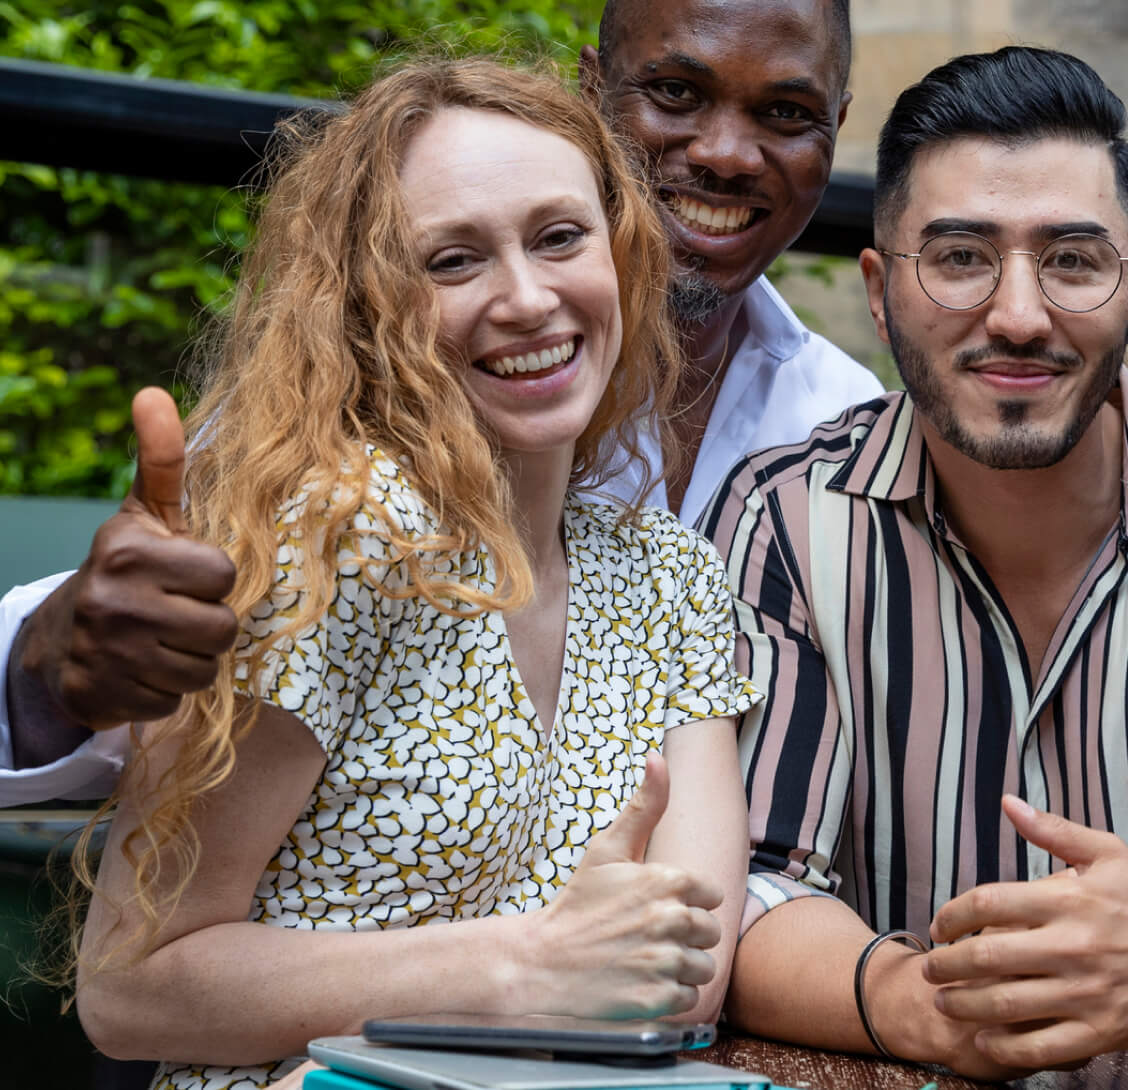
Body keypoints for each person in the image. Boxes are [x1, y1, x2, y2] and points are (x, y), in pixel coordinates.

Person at [1, 0, 880, 803]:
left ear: (835, 132)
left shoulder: (848, 433)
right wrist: (44, 668)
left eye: (785, 112)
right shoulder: (377, 370)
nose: (728, 153)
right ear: (592, 90)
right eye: (675, 93)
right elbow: (175, 646)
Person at [75, 58, 760, 1090]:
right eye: (451, 259)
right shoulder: (334, 536)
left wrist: (587, 963)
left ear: (621, 252)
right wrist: (525, 961)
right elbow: (129, 985)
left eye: (559, 236)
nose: (527, 298)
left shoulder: (668, 577)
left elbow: (679, 969)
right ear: (361, 306)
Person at [706, 47, 1128, 1078]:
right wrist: (915, 1000)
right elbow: (751, 881)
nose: (1019, 312)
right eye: (959, 255)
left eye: (1071, 259)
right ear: (880, 289)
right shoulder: (783, 518)